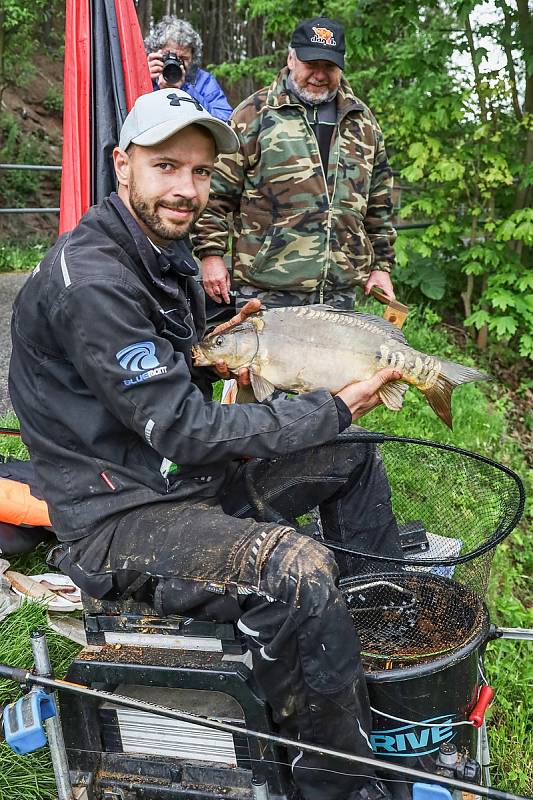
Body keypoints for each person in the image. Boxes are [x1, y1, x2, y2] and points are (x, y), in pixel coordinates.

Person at [9, 89, 402, 800]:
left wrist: (229, 331)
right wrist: (326, 407)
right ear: (121, 165)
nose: (185, 189)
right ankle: (337, 788)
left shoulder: (160, 247)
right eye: (166, 167)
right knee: (296, 570)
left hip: (178, 481)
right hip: (117, 518)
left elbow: (179, 368)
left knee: (350, 450)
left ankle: (372, 628)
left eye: (198, 171)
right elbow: (185, 427)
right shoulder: (92, 279)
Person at [194, 16, 396, 311]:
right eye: (311, 63)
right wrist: (210, 256)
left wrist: (381, 266)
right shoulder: (254, 114)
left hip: (339, 293)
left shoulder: (362, 121)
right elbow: (214, 194)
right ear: (291, 59)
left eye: (329, 66)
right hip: (266, 290)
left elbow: (379, 204)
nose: (319, 74)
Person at [145, 16, 232, 121]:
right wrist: (144, 79)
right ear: (155, 52)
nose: (176, 63)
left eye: (183, 58)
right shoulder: (143, 74)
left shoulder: (203, 81)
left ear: (192, 58)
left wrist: (185, 90)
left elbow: (225, 120)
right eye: (168, 56)